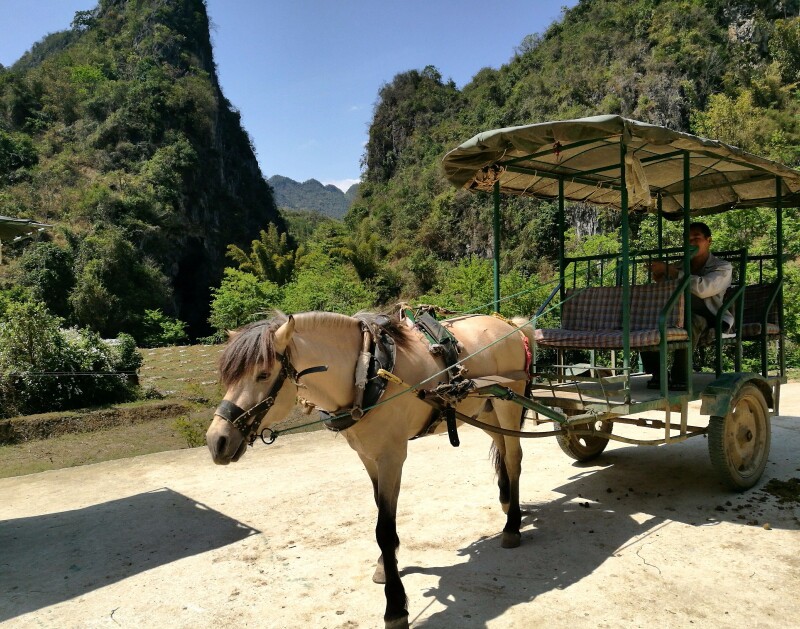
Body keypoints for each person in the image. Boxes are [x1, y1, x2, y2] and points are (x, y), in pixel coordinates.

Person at [641, 222, 733, 390]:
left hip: (711, 316)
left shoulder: (722, 267)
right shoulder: (679, 265)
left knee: (691, 322)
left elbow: (704, 289)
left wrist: (671, 271)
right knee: (645, 322)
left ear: (708, 241)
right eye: (687, 239)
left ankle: (680, 377)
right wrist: (660, 277)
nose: (691, 243)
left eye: (696, 238)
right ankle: (658, 374)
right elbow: (666, 289)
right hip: (679, 313)